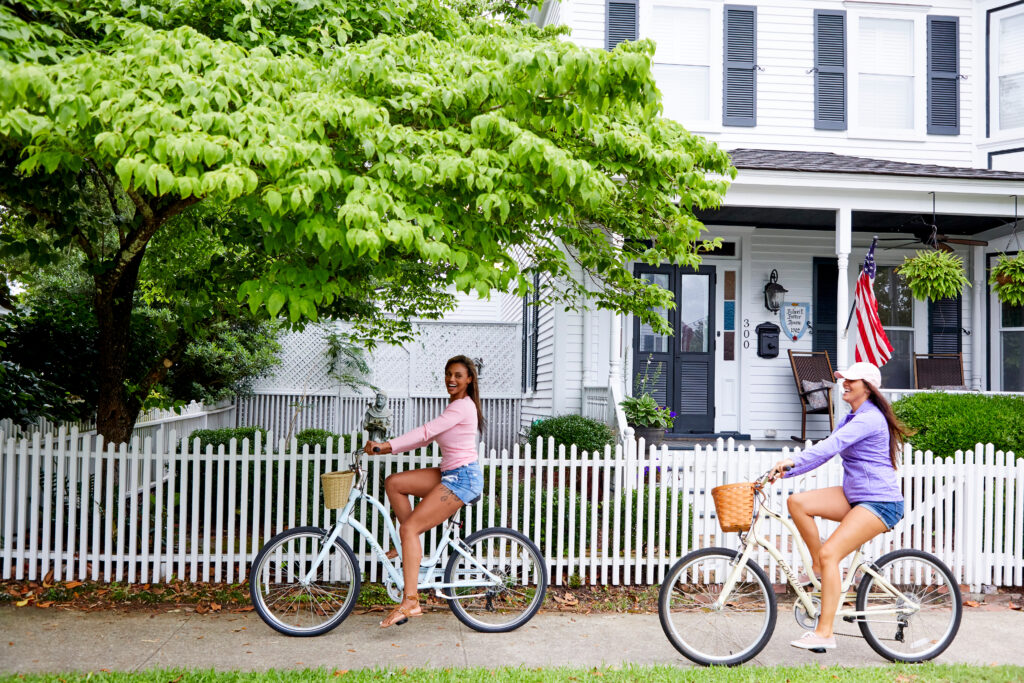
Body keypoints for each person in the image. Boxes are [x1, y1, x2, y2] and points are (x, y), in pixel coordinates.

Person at [768, 361, 912, 652]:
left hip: (880, 501)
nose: (844, 384)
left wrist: (793, 461)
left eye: (851, 381)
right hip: (856, 494)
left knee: (832, 552)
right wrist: (788, 472)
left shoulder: (869, 418)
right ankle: (821, 569)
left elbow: (831, 446)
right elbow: (828, 449)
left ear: (868, 388)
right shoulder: (854, 416)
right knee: (798, 502)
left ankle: (824, 633)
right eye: (843, 379)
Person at [363, 355, 485, 628]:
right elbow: (427, 437)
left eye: (457, 375)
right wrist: (388, 448)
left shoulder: (463, 407)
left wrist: (385, 447)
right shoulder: (456, 406)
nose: (451, 379)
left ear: (469, 380)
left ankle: (411, 601)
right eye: (448, 374)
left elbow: (426, 431)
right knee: (395, 483)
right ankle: (408, 545)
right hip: (450, 473)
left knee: (409, 529)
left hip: (462, 479)